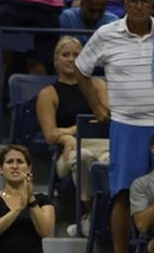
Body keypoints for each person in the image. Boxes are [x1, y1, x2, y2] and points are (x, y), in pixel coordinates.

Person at [75, 0, 154, 253]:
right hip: (126, 123)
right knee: (121, 194)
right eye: (133, 0)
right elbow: (82, 68)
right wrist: (96, 105)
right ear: (126, 3)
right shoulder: (107, 33)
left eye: (145, 0)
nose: (139, 6)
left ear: (153, 3)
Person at [0, 0, 64, 145]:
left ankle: (34, 130)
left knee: (39, 66)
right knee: (1, 59)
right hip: (14, 4)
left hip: (47, 8)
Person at [37, 36, 111, 213]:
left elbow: (107, 118)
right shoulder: (48, 94)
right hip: (69, 151)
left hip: (102, 145)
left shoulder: (98, 85)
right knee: (83, 156)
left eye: (77, 55)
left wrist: (70, 131)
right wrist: (67, 139)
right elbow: (50, 134)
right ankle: (91, 213)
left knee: (113, 160)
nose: (71, 59)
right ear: (56, 60)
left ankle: (106, 213)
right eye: (65, 55)